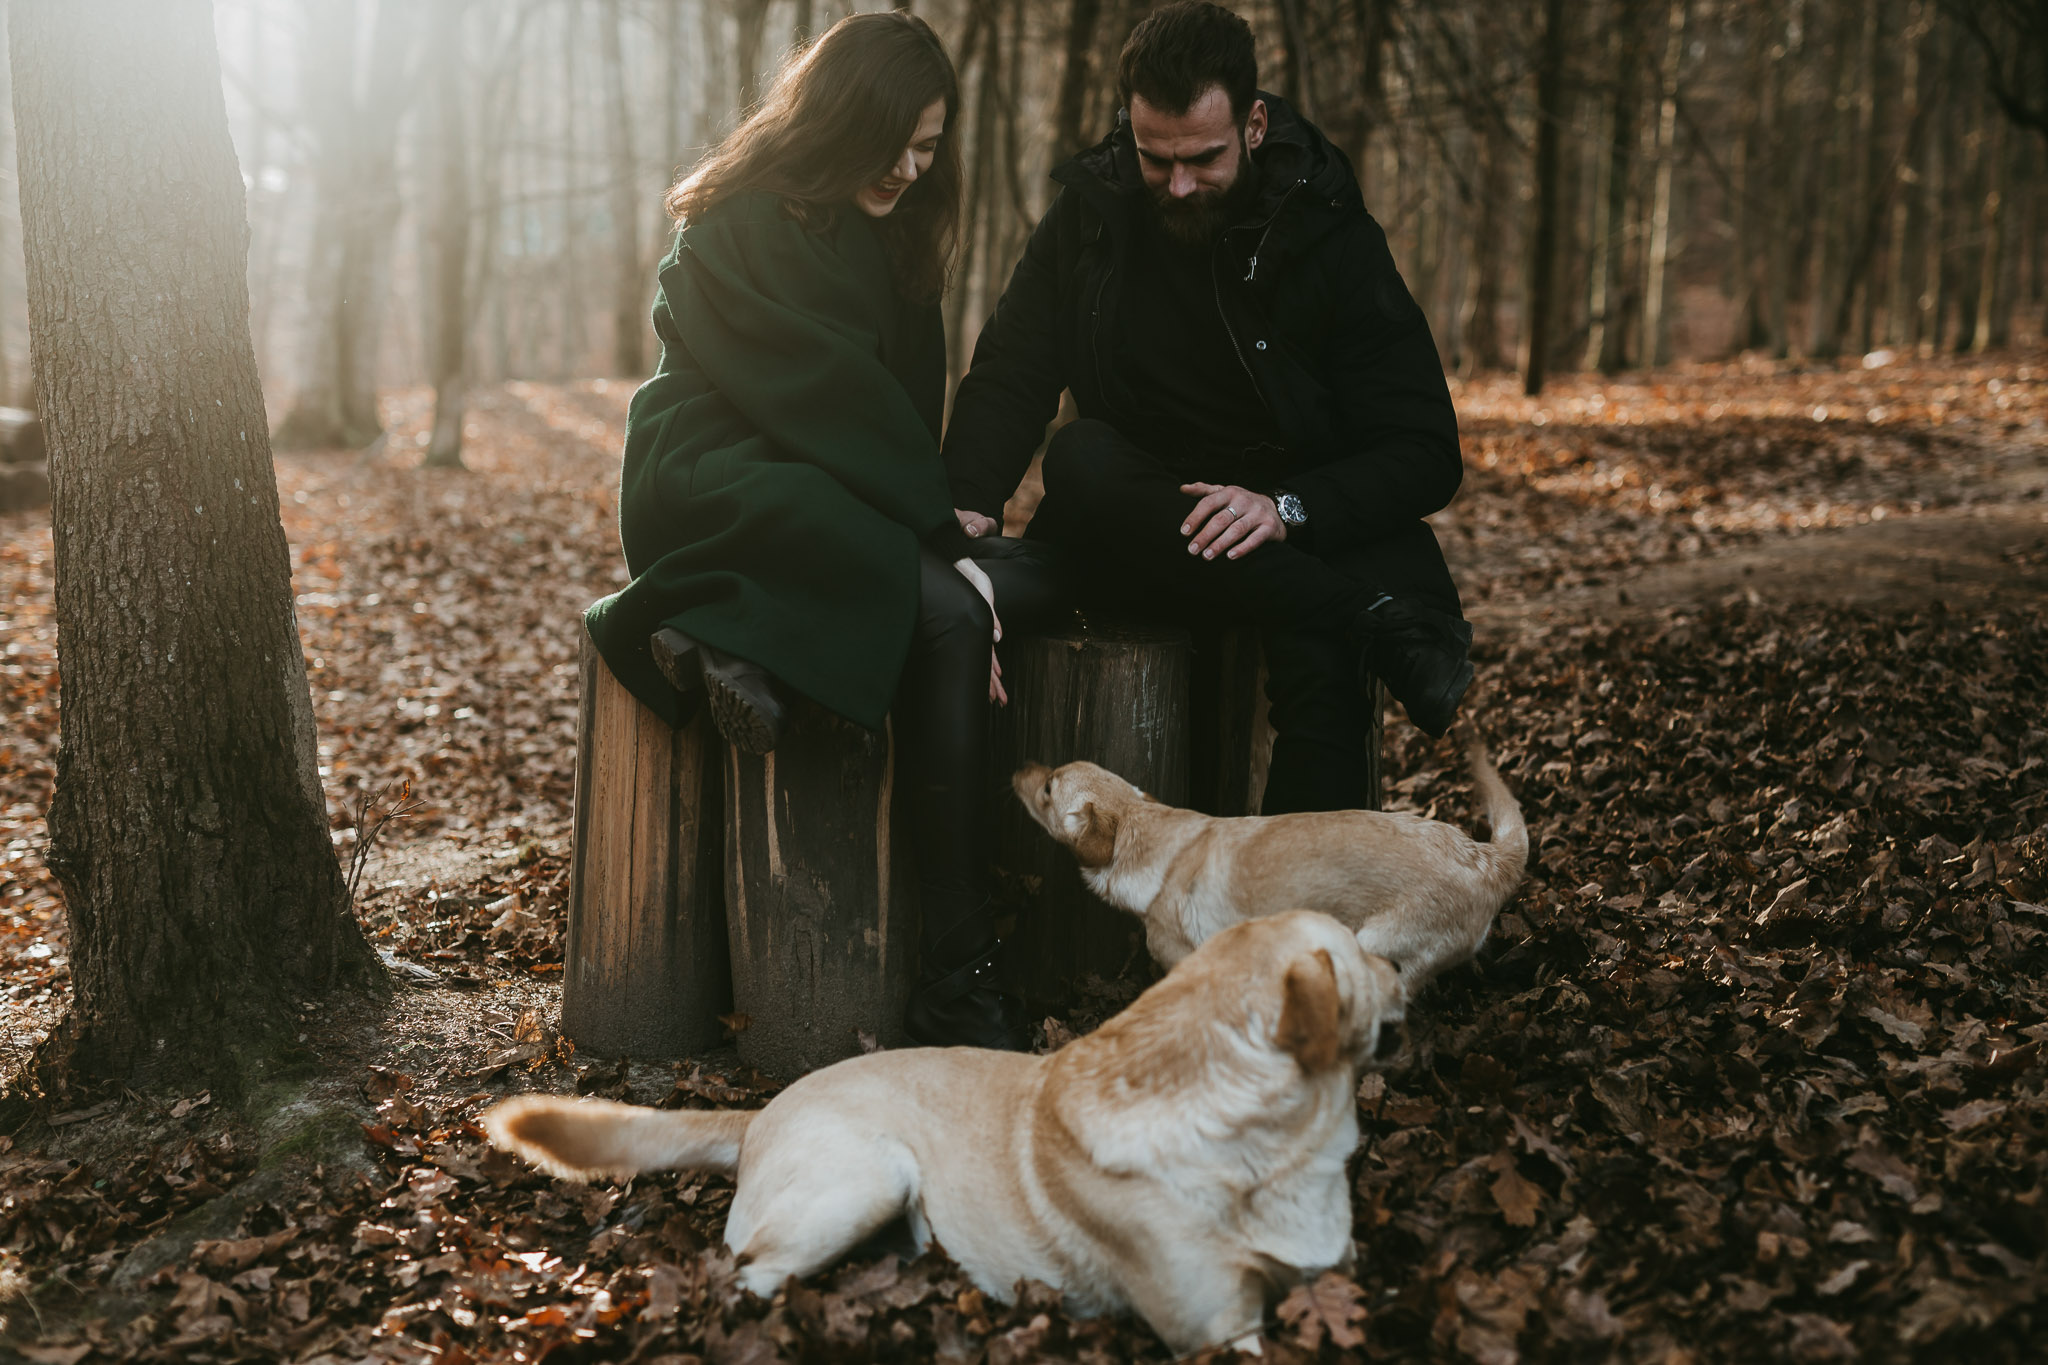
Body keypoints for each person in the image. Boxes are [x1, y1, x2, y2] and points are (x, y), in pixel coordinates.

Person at [584, 11, 1031, 1050]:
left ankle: (733, 634)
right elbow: (826, 396)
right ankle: (961, 976)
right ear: (838, 120)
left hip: (819, 476)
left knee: (1014, 584)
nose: (911, 169)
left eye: (929, 148)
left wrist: (939, 527)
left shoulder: (898, 231)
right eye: (894, 143)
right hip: (710, 473)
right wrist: (932, 538)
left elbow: (900, 402)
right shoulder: (738, 218)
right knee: (955, 620)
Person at [944, 1, 1474, 817]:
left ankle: (1297, 926)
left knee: (1318, 662)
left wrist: (1288, 508)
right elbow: (1013, 366)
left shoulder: (1329, 232)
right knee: (1080, 454)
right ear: (1130, 125)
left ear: (1254, 124)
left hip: (1284, 529)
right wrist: (970, 502)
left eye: (1204, 158)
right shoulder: (1090, 215)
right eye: (1157, 159)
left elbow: (1425, 447)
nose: (1179, 184)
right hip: (1140, 532)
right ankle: (1361, 618)